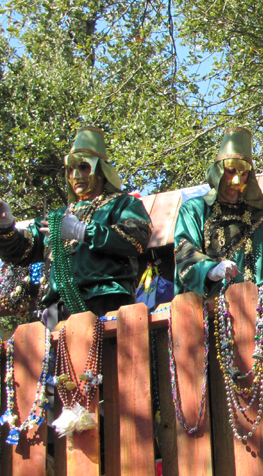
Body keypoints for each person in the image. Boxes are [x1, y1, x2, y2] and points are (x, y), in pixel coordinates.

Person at [0, 126, 153, 328]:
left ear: (100, 170)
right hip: (57, 310)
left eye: (84, 167)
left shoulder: (122, 204)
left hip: (105, 301)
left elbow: (137, 238)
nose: (76, 175)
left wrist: (83, 231)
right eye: (71, 169)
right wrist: (5, 226)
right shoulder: (54, 218)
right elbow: (20, 252)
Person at [174, 126, 263, 295]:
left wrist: (261, 291)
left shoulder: (262, 220)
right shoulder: (194, 211)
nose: (236, 180)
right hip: (207, 312)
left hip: (257, 311)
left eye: (244, 173)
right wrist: (211, 271)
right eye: (230, 171)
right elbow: (185, 252)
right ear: (218, 171)